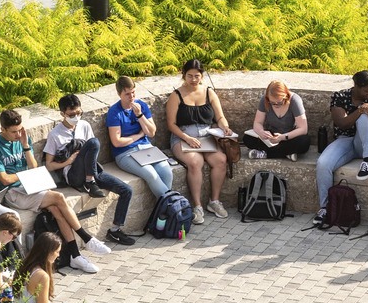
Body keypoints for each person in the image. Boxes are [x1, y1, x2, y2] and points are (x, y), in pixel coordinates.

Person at [0, 108, 110, 275]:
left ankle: (75, 255)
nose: (18, 134)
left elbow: (34, 167)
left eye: (20, 129)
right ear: (2, 129)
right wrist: (25, 175)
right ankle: (86, 238)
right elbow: (5, 179)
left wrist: (26, 146)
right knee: (58, 197)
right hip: (13, 193)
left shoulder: (22, 138)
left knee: (56, 208)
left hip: (30, 185)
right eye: (13, 132)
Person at [45, 92, 136, 248]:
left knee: (126, 190)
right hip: (73, 174)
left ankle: (115, 229)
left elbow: (93, 151)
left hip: (91, 170)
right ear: (63, 114)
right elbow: (49, 165)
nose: (76, 117)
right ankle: (89, 182)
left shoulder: (84, 125)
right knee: (93, 142)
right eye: (72, 114)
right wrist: (68, 161)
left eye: (79, 113)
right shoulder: (55, 134)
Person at [166, 59, 236, 224]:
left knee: (221, 160)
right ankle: (197, 206)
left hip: (206, 136)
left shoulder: (209, 92)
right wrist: (187, 138)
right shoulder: (176, 95)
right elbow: (171, 124)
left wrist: (225, 127)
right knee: (195, 162)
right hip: (183, 136)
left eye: (197, 76)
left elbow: (219, 116)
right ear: (184, 76)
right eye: (189, 76)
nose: (193, 79)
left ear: (202, 76)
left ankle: (214, 201)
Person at [316, 70, 368, 216]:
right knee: (323, 163)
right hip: (346, 141)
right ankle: (325, 209)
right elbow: (342, 123)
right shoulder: (340, 96)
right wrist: (360, 110)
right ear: (356, 86)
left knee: (366, 116)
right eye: (366, 90)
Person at [106, 76, 176, 205]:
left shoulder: (141, 106)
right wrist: (138, 135)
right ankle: (172, 206)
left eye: (133, 92)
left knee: (166, 171)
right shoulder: (114, 112)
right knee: (151, 174)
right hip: (125, 153)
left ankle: (163, 212)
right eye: (127, 94)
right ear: (119, 94)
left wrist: (139, 115)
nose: (131, 96)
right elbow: (116, 142)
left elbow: (151, 132)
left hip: (145, 148)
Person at [18, 231, 94, 303]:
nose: (58, 255)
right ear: (48, 252)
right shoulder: (41, 276)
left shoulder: (26, 265)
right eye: (57, 252)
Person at [243, 79, 311, 162]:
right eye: (272, 103)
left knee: (304, 142)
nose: (275, 105)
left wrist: (283, 137)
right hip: (271, 136)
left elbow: (303, 129)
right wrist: (261, 132)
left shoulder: (294, 101)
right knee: (247, 138)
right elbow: (257, 122)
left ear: (285, 97)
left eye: (279, 102)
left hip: (289, 137)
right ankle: (287, 153)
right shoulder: (264, 100)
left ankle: (266, 154)